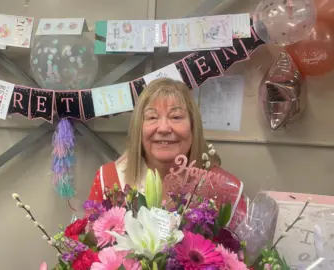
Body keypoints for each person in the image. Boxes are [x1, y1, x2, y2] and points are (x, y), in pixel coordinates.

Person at [87, 78, 247, 227]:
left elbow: (240, 255)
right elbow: (89, 250)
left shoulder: (226, 189)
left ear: (193, 126)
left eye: (176, 117)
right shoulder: (108, 179)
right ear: (139, 129)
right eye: (152, 117)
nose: (163, 128)